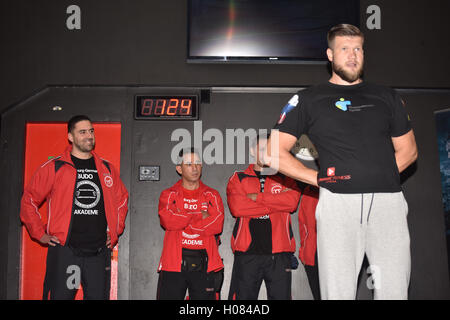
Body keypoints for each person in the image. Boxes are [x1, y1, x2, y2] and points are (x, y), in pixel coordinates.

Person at [266, 24, 418, 299]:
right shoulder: (308, 99)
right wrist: (317, 179)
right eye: (344, 49)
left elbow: (408, 151)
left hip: (388, 205)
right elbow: (272, 153)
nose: (352, 55)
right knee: (337, 293)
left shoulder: (387, 96)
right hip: (337, 204)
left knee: (395, 292)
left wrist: (376, 175)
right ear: (330, 55)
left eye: (358, 48)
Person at [20, 115, 129, 300]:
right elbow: (28, 200)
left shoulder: (106, 169)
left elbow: (122, 200)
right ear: (70, 137)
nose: (89, 136)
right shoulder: (55, 167)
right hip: (66, 252)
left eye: (91, 131)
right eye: (83, 132)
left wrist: (115, 231)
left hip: (98, 253)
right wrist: (40, 233)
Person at [226, 135, 301, 300]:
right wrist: (276, 204)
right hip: (247, 255)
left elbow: (291, 203)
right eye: (261, 150)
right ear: (252, 151)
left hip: (280, 255)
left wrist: (257, 198)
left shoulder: (287, 177)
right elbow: (238, 208)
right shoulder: (238, 178)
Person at [156, 148, 224, 300]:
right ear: (179, 169)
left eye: (198, 163)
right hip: (173, 263)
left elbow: (217, 224)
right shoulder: (168, 194)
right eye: (189, 164)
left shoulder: (212, 195)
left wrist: (183, 217)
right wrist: (200, 216)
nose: (195, 168)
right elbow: (167, 220)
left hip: (206, 263)